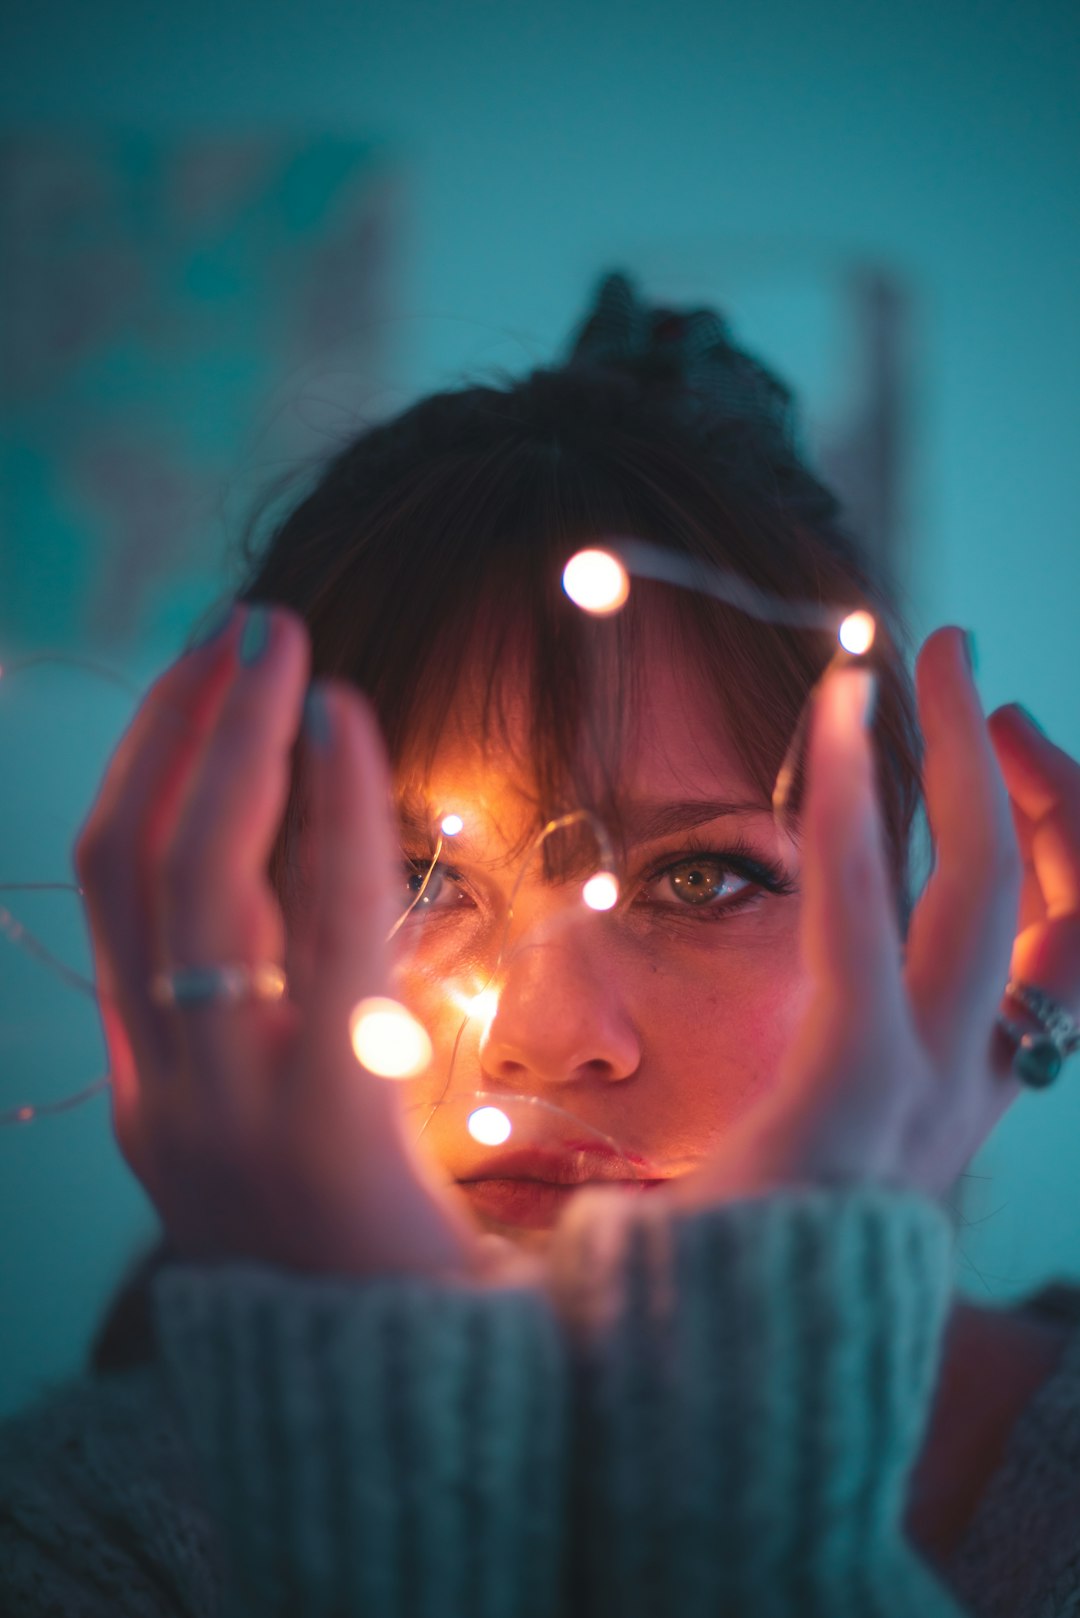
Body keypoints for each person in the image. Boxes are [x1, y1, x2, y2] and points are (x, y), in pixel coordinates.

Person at [1, 269, 1078, 1617]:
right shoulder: (71, 1538)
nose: (552, 1036)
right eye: (411, 873)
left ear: (914, 937)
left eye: (703, 876)